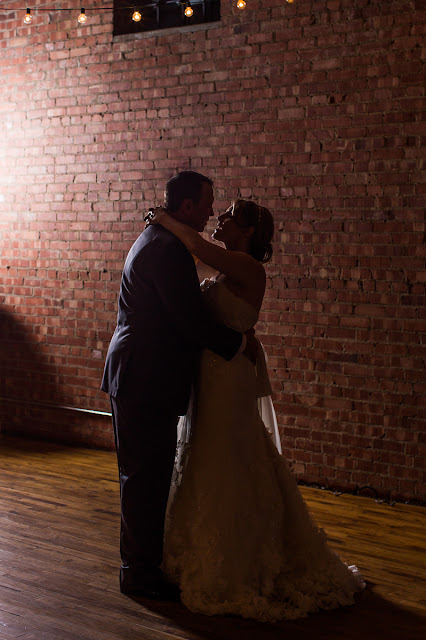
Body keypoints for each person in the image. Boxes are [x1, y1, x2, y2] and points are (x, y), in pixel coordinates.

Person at [148, 200, 365, 623]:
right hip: (210, 373)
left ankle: (237, 559)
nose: (221, 219)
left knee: (226, 455)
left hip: (229, 377)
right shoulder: (225, 269)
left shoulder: (248, 268)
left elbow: (193, 242)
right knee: (206, 454)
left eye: (229, 215)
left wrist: (164, 218)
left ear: (247, 231)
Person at [101, 171, 253, 600]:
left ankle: (142, 566)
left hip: (143, 374)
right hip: (143, 376)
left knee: (146, 476)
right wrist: (240, 343)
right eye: (207, 203)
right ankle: (138, 574)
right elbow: (188, 321)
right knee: (144, 478)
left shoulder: (164, 239)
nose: (210, 210)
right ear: (186, 206)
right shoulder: (166, 248)